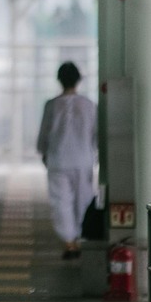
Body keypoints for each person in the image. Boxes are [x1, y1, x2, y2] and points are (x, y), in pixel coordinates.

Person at [36, 61, 97, 260]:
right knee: (83, 199)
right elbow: (95, 136)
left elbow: (44, 134)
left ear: (59, 80)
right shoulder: (89, 105)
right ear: (78, 80)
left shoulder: (51, 105)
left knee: (61, 202)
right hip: (83, 160)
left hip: (58, 160)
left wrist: (43, 152)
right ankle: (81, 238)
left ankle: (69, 242)